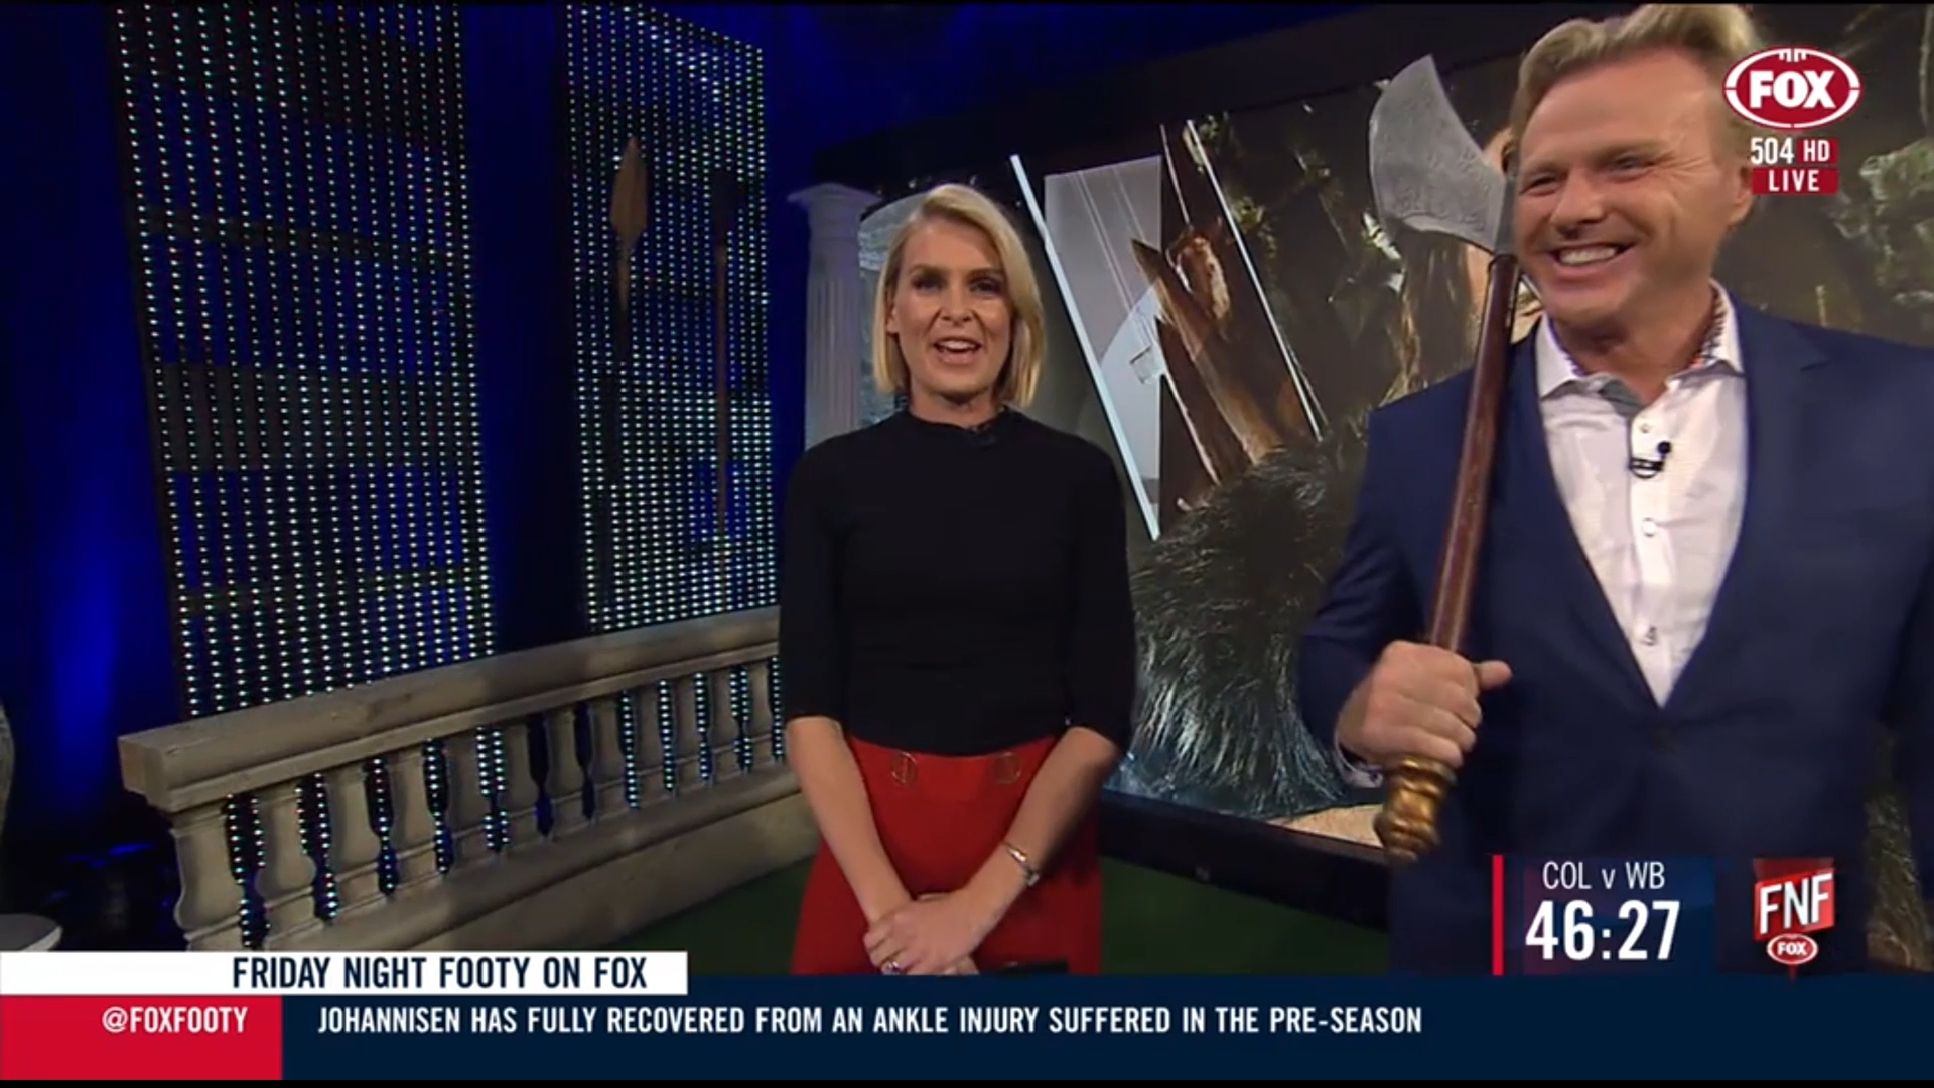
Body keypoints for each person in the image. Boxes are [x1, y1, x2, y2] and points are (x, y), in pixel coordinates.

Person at [1297, 3, 1934, 974]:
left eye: (1627, 164)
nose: (1573, 208)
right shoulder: (1420, 439)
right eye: (1542, 178)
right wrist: (1356, 710)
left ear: (1737, 183)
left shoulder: (1895, 411)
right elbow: (1334, 650)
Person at [779, 183, 1137, 976]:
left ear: (1015, 315)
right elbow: (810, 712)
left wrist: (975, 909)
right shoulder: (827, 481)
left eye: (984, 286)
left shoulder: (1078, 480)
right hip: (871, 852)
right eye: (928, 283)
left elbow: (1102, 716)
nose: (957, 311)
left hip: (1029, 849)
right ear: (890, 312)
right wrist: (898, 923)